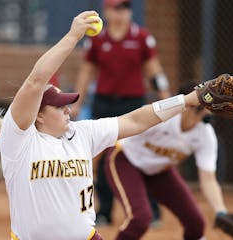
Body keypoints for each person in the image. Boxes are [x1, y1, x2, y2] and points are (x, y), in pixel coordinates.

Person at [0, 11, 202, 240]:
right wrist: (73, 36)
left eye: (67, 105)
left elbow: (136, 120)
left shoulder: (82, 133)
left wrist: (189, 100)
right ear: (38, 115)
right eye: (59, 107)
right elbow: (35, 81)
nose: (68, 111)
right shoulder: (20, 141)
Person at [103, 89, 233, 239]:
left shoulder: (205, 134)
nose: (209, 111)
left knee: (195, 224)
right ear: (189, 106)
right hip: (125, 159)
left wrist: (220, 211)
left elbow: (208, 179)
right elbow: (120, 129)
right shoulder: (163, 119)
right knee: (140, 219)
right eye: (205, 106)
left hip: (159, 171)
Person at [72, 0, 170, 225]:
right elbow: (87, 72)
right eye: (117, 8)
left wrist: (164, 94)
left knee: (140, 155)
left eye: (126, 8)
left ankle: (151, 211)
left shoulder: (142, 37)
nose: (123, 12)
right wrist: (78, 100)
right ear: (106, 12)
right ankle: (105, 211)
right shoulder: (97, 39)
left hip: (134, 104)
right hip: (105, 103)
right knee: (106, 157)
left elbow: (154, 69)